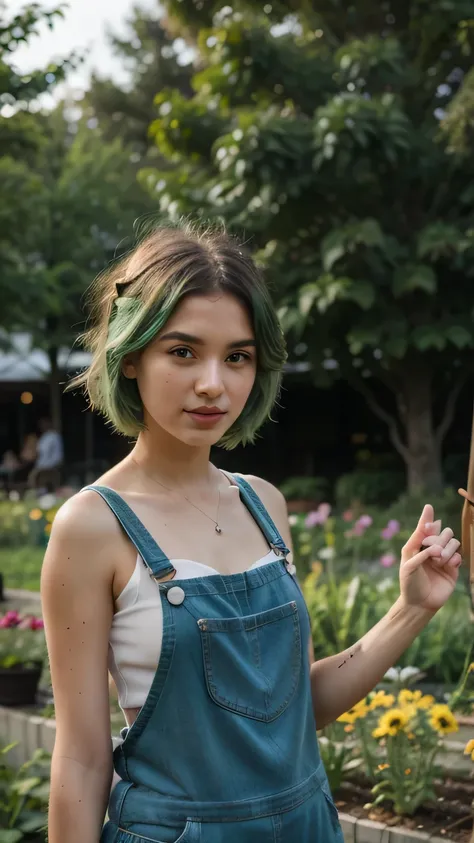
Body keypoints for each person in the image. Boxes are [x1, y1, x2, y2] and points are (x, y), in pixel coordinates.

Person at [41, 223, 463, 843]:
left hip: (307, 826)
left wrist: (411, 608)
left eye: (237, 356)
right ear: (132, 356)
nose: (214, 383)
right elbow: (80, 756)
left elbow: (292, 711)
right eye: (183, 352)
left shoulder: (263, 503)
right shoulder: (92, 526)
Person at [29, 419, 63, 491]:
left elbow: (58, 455)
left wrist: (51, 466)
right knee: (33, 478)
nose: (42, 426)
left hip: (50, 467)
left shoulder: (54, 436)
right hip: (40, 467)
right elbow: (38, 453)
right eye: (41, 424)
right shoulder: (43, 437)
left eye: (44, 423)